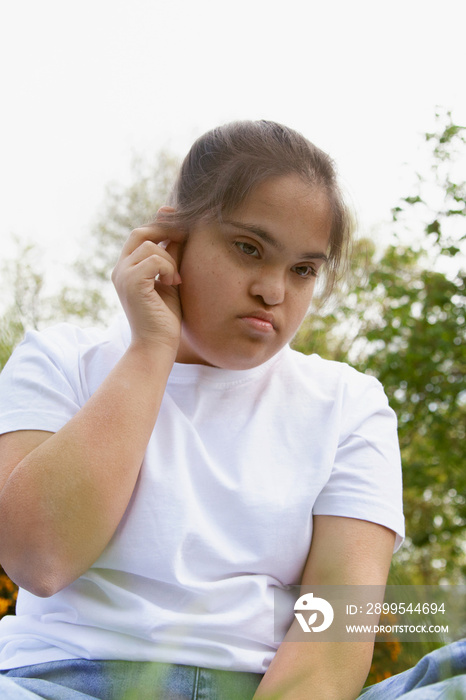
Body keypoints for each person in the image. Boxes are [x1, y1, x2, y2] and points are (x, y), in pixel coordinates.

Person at [0, 120, 405, 699]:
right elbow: (37, 560)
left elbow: (334, 635)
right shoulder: (59, 361)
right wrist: (150, 350)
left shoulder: (350, 405)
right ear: (172, 237)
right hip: (57, 683)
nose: (273, 291)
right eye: (249, 248)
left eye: (303, 270)